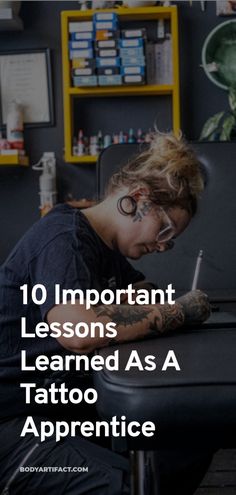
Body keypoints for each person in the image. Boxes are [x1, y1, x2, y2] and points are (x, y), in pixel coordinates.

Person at [0, 132, 211, 494]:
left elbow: (143, 296)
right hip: (12, 423)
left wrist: (150, 308)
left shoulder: (108, 247)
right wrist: (176, 311)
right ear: (138, 200)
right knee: (129, 487)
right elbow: (80, 332)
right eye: (164, 230)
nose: (162, 246)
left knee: (191, 434)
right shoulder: (64, 241)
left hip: (62, 407)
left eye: (170, 239)